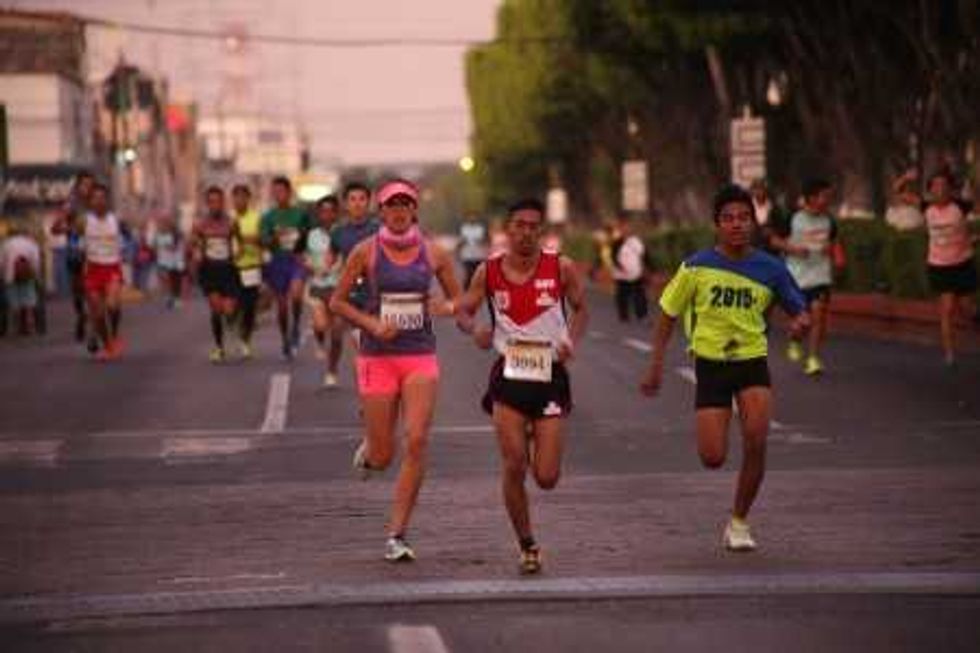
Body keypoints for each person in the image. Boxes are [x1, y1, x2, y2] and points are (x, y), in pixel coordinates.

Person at [640, 184, 810, 552]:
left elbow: (799, 310)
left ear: (753, 222)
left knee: (757, 438)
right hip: (711, 365)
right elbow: (667, 314)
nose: (737, 225)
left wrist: (800, 324)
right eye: (729, 218)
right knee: (713, 457)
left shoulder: (771, 268)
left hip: (751, 360)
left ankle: (739, 521)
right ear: (717, 224)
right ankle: (723, 420)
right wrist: (655, 364)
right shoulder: (696, 267)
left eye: (744, 218)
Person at [329, 179, 462, 563]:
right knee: (384, 456)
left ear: (414, 211)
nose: (399, 210)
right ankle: (372, 447)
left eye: (406, 204)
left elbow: (458, 299)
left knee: (417, 440)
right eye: (392, 205)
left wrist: (448, 309)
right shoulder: (364, 252)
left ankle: (397, 534)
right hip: (377, 357)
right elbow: (337, 302)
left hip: (419, 355)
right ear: (381, 212)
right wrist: (371, 325)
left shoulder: (433, 253)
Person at [455, 198, 588, 574]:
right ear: (508, 229)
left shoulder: (560, 268)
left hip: (550, 376)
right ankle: (527, 543)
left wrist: (571, 341)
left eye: (533, 226)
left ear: (541, 232)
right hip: (509, 376)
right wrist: (476, 329)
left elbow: (581, 308)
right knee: (515, 464)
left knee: (545, 478)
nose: (526, 232)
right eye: (519, 225)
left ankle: (536, 435)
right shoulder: (488, 271)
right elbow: (464, 309)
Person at [775, 178, 838, 375]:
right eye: (824, 196)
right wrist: (792, 249)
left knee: (818, 315)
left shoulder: (829, 220)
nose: (827, 200)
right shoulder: (793, 218)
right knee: (804, 321)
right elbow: (775, 240)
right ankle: (794, 338)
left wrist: (830, 248)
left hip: (820, 276)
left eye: (829, 196)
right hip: (797, 277)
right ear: (811, 198)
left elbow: (833, 241)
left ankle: (813, 359)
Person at [923, 170, 977, 366]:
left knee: (967, 308)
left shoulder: (960, 206)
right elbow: (898, 191)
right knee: (946, 309)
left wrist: (974, 238)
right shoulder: (926, 208)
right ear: (930, 190)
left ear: (950, 189)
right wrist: (906, 178)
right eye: (935, 186)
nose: (940, 189)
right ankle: (949, 353)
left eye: (944, 185)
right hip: (939, 265)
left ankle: (975, 321)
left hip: (962, 263)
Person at [260, 176, 311, 360]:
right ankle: (285, 340)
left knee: (297, 294)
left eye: (281, 191)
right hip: (277, 262)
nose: (278, 195)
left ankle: (296, 324)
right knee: (281, 307)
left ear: (289, 192)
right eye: (275, 192)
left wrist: (304, 248)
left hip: (296, 261)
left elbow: (310, 235)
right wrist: (274, 235)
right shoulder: (268, 217)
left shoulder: (300, 214)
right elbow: (264, 241)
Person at [190, 186, 239, 363]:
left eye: (218, 201)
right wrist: (196, 256)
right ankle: (219, 347)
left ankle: (233, 323)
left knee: (229, 310)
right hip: (210, 270)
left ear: (223, 203)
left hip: (228, 269)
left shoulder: (231, 223)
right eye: (211, 202)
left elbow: (237, 244)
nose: (215, 205)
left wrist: (237, 258)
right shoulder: (200, 224)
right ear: (207, 204)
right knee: (216, 309)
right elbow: (193, 245)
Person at [330, 181, 381, 350]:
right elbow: (330, 259)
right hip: (350, 292)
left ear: (369, 202)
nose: (357, 203)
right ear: (345, 204)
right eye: (352, 199)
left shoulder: (379, 229)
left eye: (362, 199)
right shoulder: (338, 231)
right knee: (356, 341)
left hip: (375, 292)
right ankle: (353, 372)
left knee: (374, 341)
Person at [80, 183, 125, 359]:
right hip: (93, 268)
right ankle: (108, 345)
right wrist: (62, 221)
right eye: (95, 198)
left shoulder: (116, 220)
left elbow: (125, 239)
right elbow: (59, 229)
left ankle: (113, 335)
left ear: (107, 200)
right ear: (90, 202)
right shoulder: (85, 220)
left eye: (102, 198)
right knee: (98, 314)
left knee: (113, 306)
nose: (99, 201)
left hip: (112, 267)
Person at [305, 194, 343, 386]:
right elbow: (302, 257)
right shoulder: (311, 236)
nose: (327, 215)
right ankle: (319, 340)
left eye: (331, 211)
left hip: (339, 288)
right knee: (321, 325)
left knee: (336, 333)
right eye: (323, 211)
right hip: (318, 286)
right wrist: (310, 266)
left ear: (337, 213)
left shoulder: (344, 233)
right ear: (318, 214)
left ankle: (332, 371)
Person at [231, 184, 263, 358]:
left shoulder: (256, 218)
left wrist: (245, 238)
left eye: (243, 197)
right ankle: (237, 328)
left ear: (248, 199)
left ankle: (246, 341)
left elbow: (261, 237)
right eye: (236, 197)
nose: (239, 201)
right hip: (232, 267)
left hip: (252, 266)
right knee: (234, 305)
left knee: (250, 307)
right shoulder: (229, 219)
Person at [2, 225, 42, 336]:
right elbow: (36, 261)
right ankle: (29, 326)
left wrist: (4, 274)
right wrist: (36, 276)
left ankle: (17, 326)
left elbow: (1, 261)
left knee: (14, 302)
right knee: (29, 301)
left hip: (10, 276)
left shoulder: (6, 244)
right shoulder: (31, 243)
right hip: (28, 276)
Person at [611, 215, 649, 323]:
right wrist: (621, 267)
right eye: (623, 228)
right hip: (622, 276)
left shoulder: (636, 241)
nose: (626, 229)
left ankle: (642, 316)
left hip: (636, 274)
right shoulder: (617, 243)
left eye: (628, 227)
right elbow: (613, 257)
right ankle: (624, 316)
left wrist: (648, 269)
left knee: (640, 296)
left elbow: (645, 255)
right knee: (622, 297)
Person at [153, 215, 186, 310]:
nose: (164, 225)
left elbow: (175, 247)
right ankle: (170, 297)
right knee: (166, 279)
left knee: (175, 281)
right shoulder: (159, 234)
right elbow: (155, 246)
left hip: (175, 262)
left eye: (166, 223)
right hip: (163, 261)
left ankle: (176, 299)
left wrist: (168, 246)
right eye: (163, 223)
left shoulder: (176, 234)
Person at [457, 215, 488, 289]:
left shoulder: (480, 229)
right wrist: (458, 251)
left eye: (474, 217)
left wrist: (484, 244)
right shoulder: (464, 229)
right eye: (470, 217)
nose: (472, 219)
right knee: (468, 274)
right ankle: (466, 290)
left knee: (478, 274)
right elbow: (461, 241)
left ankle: (478, 289)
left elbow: (486, 239)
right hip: (467, 255)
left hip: (479, 255)